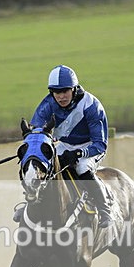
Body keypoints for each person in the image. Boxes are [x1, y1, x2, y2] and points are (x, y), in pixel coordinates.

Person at [26, 64, 112, 227]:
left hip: (91, 147)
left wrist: (79, 153)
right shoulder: (46, 105)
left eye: (65, 91)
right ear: (51, 92)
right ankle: (30, 206)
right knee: (42, 166)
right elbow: (35, 133)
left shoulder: (91, 105)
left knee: (82, 168)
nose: (61, 96)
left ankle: (104, 210)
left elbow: (100, 144)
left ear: (74, 89)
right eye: (57, 92)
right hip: (64, 145)